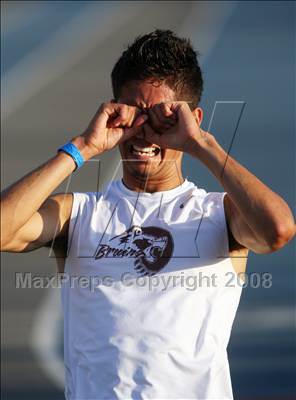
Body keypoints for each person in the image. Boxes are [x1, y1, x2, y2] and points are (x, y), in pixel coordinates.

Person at [1, 29, 295, 400]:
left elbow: (278, 229)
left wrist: (200, 144)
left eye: (162, 117)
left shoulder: (220, 215)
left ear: (192, 118)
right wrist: (82, 147)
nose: (145, 133)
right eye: (134, 115)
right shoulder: (78, 214)